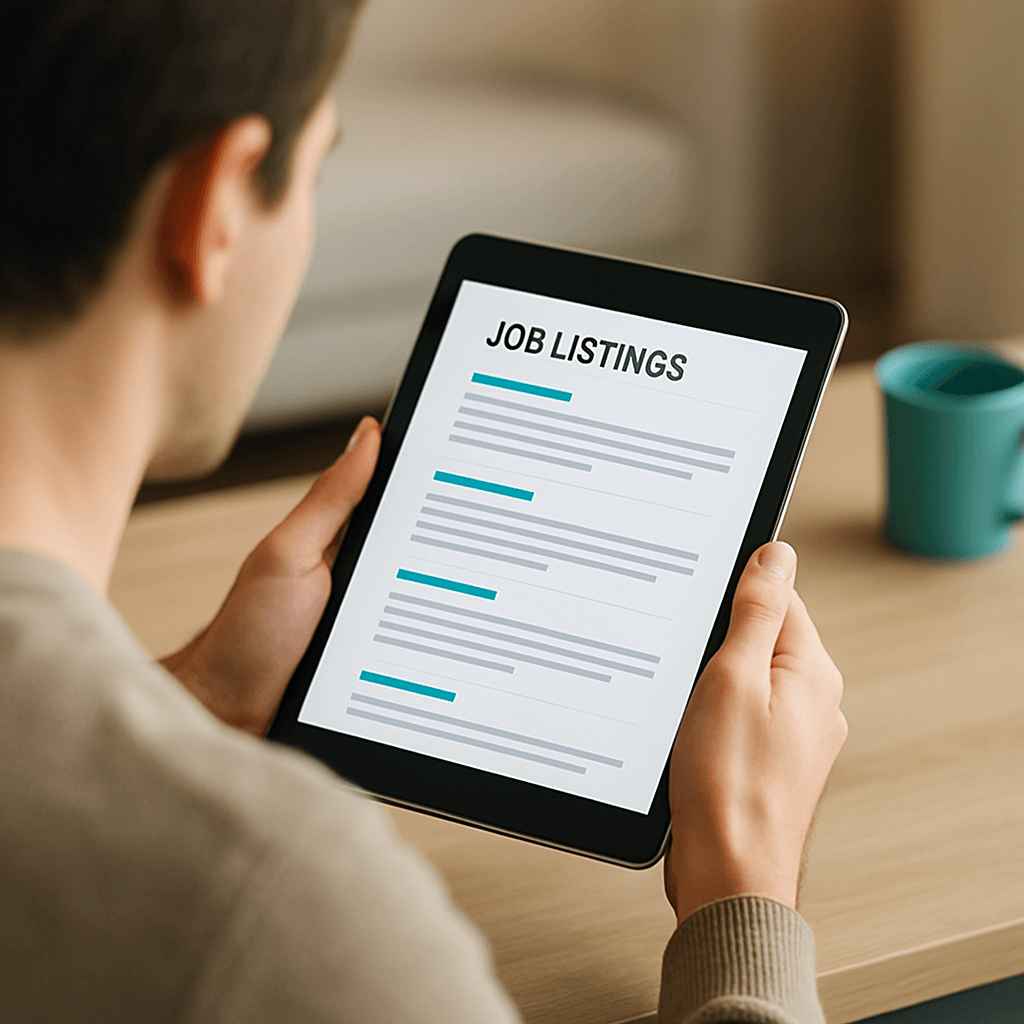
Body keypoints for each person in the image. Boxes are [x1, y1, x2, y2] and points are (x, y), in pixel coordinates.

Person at [0, 3, 847, 1022]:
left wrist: (205, 696)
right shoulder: (274, 903)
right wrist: (745, 889)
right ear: (214, 206)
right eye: (319, 168)